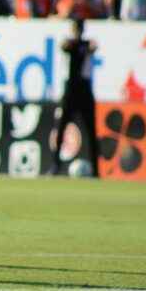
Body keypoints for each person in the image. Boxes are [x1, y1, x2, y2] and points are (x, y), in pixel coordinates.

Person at [51, 19, 100, 178]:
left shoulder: (86, 45)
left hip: (84, 90)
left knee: (91, 131)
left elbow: (93, 47)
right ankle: (55, 165)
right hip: (70, 90)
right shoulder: (70, 45)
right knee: (61, 128)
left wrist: (85, 47)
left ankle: (96, 170)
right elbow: (64, 46)